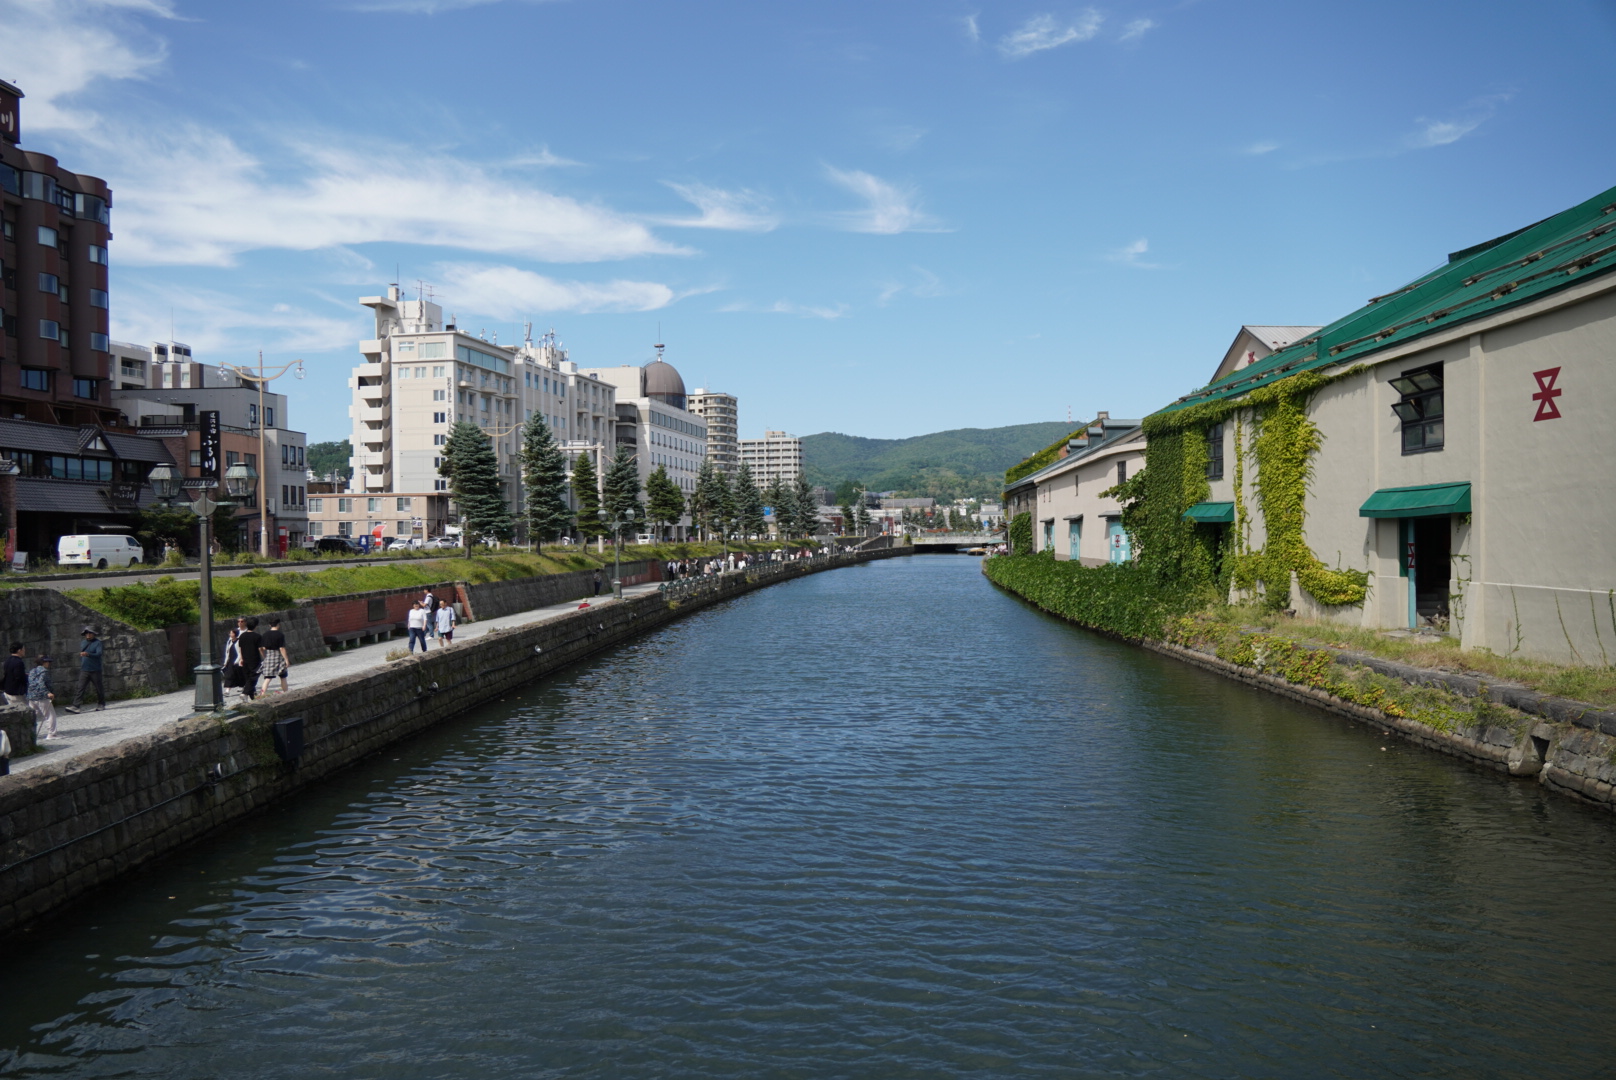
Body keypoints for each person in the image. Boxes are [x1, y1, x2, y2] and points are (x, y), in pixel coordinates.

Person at [65, 627, 105, 714]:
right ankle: (76, 706)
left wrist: (88, 654)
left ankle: (101, 703)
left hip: (95, 669)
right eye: (87, 633)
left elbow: (99, 654)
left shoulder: (98, 643)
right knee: (80, 687)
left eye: (90, 633)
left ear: (93, 634)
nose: (88, 635)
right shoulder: (83, 643)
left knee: (98, 688)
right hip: (84, 669)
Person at [27, 654, 56, 741]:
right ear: (44, 662)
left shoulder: (32, 671)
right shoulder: (44, 671)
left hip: (31, 696)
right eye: (48, 662)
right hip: (42, 697)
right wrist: (48, 693)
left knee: (32, 716)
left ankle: (31, 734)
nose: (49, 663)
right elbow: (41, 683)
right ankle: (52, 734)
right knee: (50, 715)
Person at [259, 617, 290, 694]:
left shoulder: (265, 634)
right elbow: (282, 648)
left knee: (268, 678)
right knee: (283, 677)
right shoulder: (280, 635)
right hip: (278, 656)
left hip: (269, 656)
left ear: (270, 625)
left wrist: (264, 657)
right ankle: (286, 693)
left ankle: (262, 695)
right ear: (278, 625)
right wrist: (286, 660)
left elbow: (261, 648)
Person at [236, 617, 263, 700]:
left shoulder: (242, 636)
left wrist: (241, 658)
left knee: (248, 677)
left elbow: (240, 648)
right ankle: (244, 693)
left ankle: (252, 697)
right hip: (254, 659)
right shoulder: (257, 636)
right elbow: (260, 648)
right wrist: (264, 657)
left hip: (244, 659)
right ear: (255, 626)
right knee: (254, 676)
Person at [221, 627, 244, 699]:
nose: (230, 634)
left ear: (235, 634)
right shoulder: (229, 641)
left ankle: (243, 686)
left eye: (231, 633)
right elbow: (227, 652)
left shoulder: (239, 641)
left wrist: (237, 661)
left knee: (240, 675)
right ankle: (227, 691)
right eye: (230, 633)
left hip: (237, 661)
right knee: (229, 676)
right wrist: (225, 662)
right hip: (230, 661)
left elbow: (240, 652)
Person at [3, 643, 27, 707]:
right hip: (16, 692)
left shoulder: (7, 660)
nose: (24, 651)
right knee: (23, 711)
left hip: (8, 690)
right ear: (19, 650)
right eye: (23, 649)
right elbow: (18, 676)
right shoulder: (18, 662)